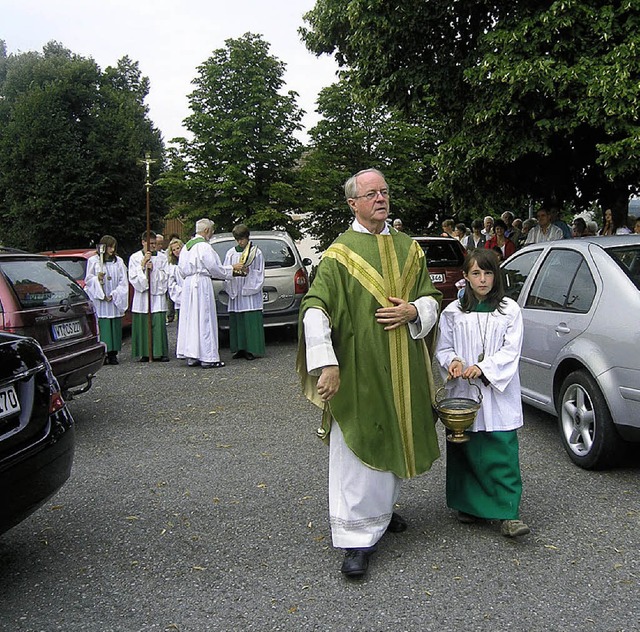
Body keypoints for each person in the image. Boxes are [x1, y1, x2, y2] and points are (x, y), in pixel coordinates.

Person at [297, 168, 442, 579]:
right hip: (360, 369)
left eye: (384, 192)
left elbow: (431, 297)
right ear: (353, 203)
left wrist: (414, 310)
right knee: (358, 447)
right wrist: (327, 362)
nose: (381, 198)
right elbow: (314, 306)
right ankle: (354, 539)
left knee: (395, 433)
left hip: (401, 367)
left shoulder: (409, 248)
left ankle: (380, 514)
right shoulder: (339, 254)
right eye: (371, 194)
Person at [435, 248, 530, 538]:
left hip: (497, 393)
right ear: (465, 276)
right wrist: (452, 361)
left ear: (496, 276)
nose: (483, 279)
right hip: (464, 392)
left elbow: (511, 351)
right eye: (476, 273)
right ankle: (469, 505)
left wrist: (484, 368)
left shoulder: (509, 310)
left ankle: (508, 513)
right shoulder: (453, 313)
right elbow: (443, 346)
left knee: (500, 448)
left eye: (488, 273)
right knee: (466, 447)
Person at [177, 218, 244, 368]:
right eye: (212, 231)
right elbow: (214, 268)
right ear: (206, 230)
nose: (212, 234)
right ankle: (208, 357)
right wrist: (232, 269)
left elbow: (180, 269)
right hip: (201, 284)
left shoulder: (186, 247)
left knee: (192, 320)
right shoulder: (204, 247)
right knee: (205, 319)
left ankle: (192, 355)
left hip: (188, 284)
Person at [84, 235, 129, 365]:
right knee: (104, 326)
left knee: (114, 326)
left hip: (113, 299)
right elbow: (88, 280)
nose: (112, 249)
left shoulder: (118, 261)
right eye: (110, 246)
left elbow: (123, 281)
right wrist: (97, 281)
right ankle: (103, 354)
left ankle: (113, 353)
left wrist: (115, 294)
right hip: (101, 300)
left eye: (114, 246)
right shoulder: (94, 261)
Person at [223, 224, 266, 360]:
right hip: (236, 290)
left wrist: (249, 272)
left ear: (247, 238)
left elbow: (260, 272)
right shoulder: (231, 253)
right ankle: (239, 348)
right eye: (237, 239)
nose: (240, 242)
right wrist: (233, 271)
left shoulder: (256, 252)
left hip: (249, 293)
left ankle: (251, 349)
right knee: (238, 320)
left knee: (250, 319)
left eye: (242, 239)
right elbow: (226, 270)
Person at [128, 230, 170, 362]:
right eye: (150, 243)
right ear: (143, 242)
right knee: (143, 324)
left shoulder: (162, 258)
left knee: (157, 323)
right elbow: (133, 277)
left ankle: (159, 352)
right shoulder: (135, 257)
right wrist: (142, 267)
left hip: (157, 296)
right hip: (142, 298)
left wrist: (153, 271)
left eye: (154, 243)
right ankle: (145, 352)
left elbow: (166, 276)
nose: (152, 246)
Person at [167, 238, 184, 323]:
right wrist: (180, 291)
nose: (176, 251)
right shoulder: (172, 265)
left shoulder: (188, 261)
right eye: (174, 250)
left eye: (178, 248)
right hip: (180, 296)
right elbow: (171, 283)